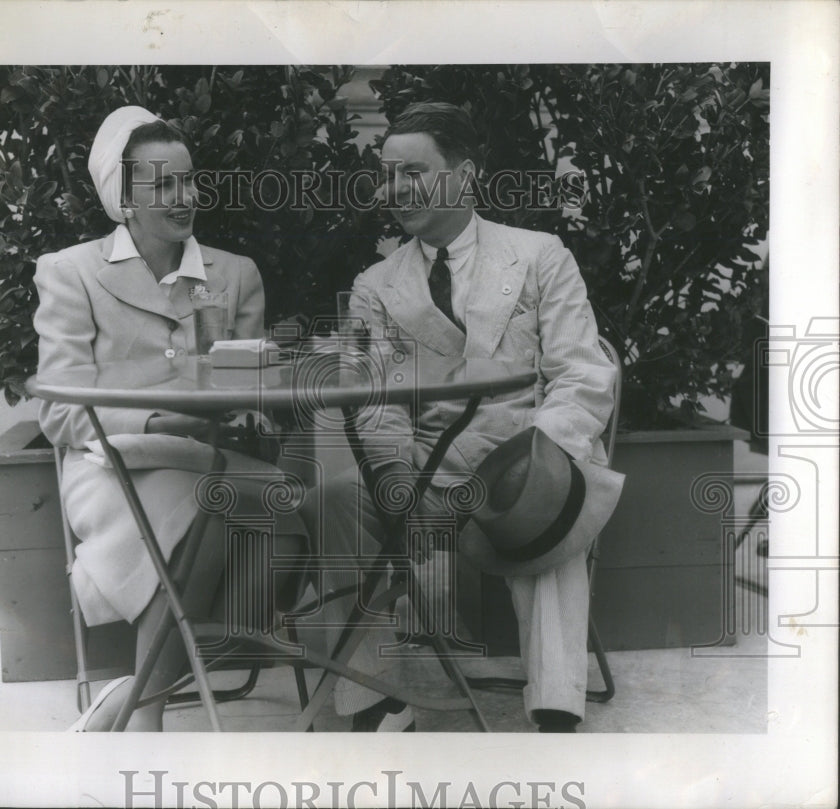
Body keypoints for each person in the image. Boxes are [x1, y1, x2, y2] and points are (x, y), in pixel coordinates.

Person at [305, 102, 617, 732]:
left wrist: (542, 452)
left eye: (414, 172)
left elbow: (582, 373)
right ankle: (369, 689)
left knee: (548, 493)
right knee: (338, 497)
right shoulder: (376, 283)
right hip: (430, 465)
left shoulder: (537, 255)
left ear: (464, 175)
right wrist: (395, 476)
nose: (396, 190)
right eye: (389, 176)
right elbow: (377, 399)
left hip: (525, 443)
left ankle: (557, 702)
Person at [33, 106, 303, 731]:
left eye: (190, 182)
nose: (185, 199)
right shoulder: (72, 272)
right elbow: (60, 408)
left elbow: (253, 390)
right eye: (164, 186)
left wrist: (261, 405)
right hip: (110, 462)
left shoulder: (234, 275)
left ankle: (128, 699)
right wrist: (157, 425)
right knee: (197, 499)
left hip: (211, 454)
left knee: (286, 508)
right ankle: (148, 716)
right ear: (124, 199)